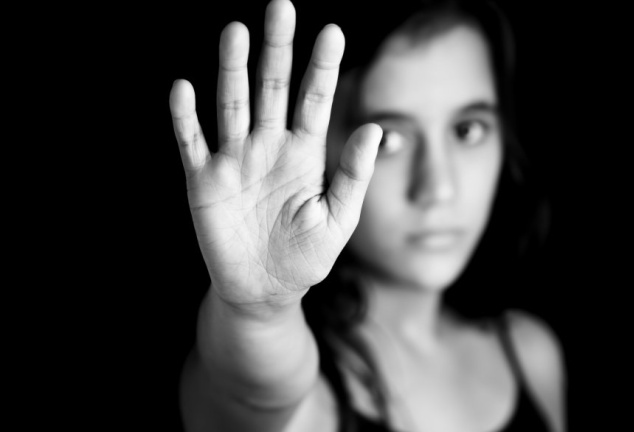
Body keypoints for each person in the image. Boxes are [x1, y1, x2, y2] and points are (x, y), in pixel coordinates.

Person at [169, 0, 566, 431]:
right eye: (389, 139)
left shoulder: (530, 354)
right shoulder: (309, 403)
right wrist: (260, 314)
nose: (438, 189)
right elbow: (252, 395)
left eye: (467, 130)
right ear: (317, 145)